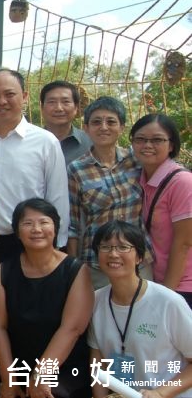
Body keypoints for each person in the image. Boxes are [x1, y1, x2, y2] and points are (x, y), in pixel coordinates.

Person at [0, 68, 69, 398]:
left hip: (25, 247)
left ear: (25, 97)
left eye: (9, 93)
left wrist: (58, 253)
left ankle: (22, 388)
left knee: (23, 323)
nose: (1, 101)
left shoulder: (44, 142)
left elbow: (56, 201)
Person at [0, 198, 93, 398]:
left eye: (44, 222)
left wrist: (41, 375)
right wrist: (9, 379)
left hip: (64, 368)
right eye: (27, 223)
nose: (36, 229)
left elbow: (71, 329)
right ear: (17, 231)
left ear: (55, 228)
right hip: (19, 367)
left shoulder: (76, 270)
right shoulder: (4, 270)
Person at [88, 221, 192, 398]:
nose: (113, 254)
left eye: (123, 247)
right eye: (105, 247)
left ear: (139, 257)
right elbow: (98, 362)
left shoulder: (168, 302)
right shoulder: (96, 300)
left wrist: (160, 393)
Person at [67, 96, 151, 289]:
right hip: (98, 262)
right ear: (86, 128)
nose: (103, 127)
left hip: (139, 258)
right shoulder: (77, 169)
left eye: (111, 121)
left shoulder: (137, 160)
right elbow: (73, 224)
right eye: (96, 122)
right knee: (101, 316)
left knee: (144, 315)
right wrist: (72, 267)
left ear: (122, 128)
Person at [130, 114, 192, 307]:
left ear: (171, 145)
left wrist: (166, 295)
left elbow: (184, 243)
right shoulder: (140, 179)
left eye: (157, 140)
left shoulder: (182, 182)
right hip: (156, 280)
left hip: (182, 285)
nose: (148, 145)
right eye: (140, 139)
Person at [39, 80, 92, 165]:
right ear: (42, 108)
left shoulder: (91, 143)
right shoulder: (29, 142)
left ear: (76, 108)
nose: (59, 108)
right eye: (52, 102)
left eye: (66, 102)